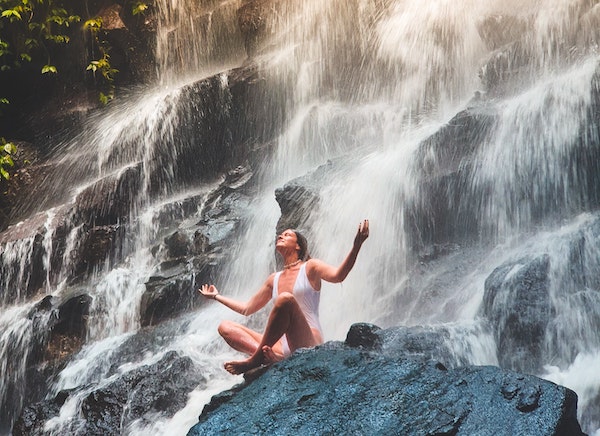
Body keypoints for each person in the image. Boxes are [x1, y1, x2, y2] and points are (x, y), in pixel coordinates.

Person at [199, 219, 369, 374]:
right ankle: (270, 358)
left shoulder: (310, 267)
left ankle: (255, 360)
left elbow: (338, 276)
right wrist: (217, 297)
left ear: (298, 246)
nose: (281, 235)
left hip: (308, 341)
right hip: (281, 346)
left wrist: (357, 246)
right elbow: (246, 309)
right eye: (281, 234)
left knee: (286, 299)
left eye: (287, 235)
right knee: (225, 326)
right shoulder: (274, 278)